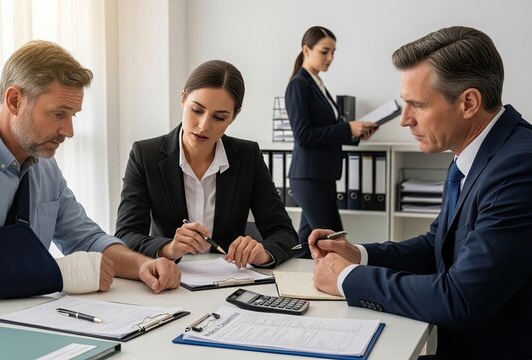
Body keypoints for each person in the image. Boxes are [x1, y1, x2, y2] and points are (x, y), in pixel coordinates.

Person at [0, 40, 180, 333]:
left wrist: (142, 266)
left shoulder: (44, 167)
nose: (69, 131)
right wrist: (65, 273)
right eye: (58, 114)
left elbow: (86, 239)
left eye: (72, 116)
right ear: (14, 100)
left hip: (10, 319)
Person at [310, 26, 532, 358]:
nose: (404, 120)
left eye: (417, 105)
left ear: (468, 102)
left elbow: (460, 298)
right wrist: (359, 254)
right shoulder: (474, 152)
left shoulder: (519, 167)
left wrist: (348, 278)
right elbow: (437, 246)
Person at [115, 60, 298, 269]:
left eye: (219, 117)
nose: (204, 126)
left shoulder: (249, 157)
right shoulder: (145, 155)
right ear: (183, 99)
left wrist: (262, 253)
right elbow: (125, 235)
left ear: (234, 116)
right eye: (197, 110)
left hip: (229, 282)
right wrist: (169, 248)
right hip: (168, 279)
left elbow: (284, 232)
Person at [285, 26, 378, 258]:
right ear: (306, 50)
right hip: (309, 176)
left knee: (307, 245)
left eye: (333, 52)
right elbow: (304, 135)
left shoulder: (318, 84)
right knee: (334, 240)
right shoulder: (299, 84)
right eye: (325, 51)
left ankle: (293, 286)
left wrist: (355, 134)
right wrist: (347, 127)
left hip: (322, 176)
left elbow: (325, 132)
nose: (330, 58)